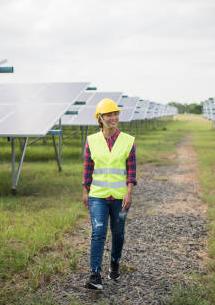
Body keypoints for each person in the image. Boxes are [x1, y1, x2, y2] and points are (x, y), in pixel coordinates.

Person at [82, 97, 136, 290]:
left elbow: (131, 171)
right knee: (98, 232)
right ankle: (95, 275)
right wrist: (85, 191)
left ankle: (114, 263)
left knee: (118, 232)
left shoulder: (128, 141)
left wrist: (129, 193)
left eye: (116, 113)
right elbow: (88, 168)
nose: (113, 117)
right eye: (109, 114)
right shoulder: (92, 141)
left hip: (120, 196)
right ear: (100, 118)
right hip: (98, 196)